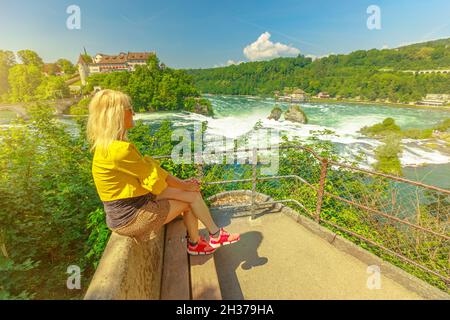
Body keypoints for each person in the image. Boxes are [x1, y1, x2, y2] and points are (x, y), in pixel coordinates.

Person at [87, 89, 240, 255]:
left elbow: (153, 173)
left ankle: (210, 237)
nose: (134, 113)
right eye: (129, 108)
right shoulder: (119, 150)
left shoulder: (108, 146)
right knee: (190, 201)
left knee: (191, 194)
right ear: (116, 115)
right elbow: (155, 182)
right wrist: (185, 187)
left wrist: (185, 186)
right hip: (131, 215)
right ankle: (203, 240)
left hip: (134, 202)